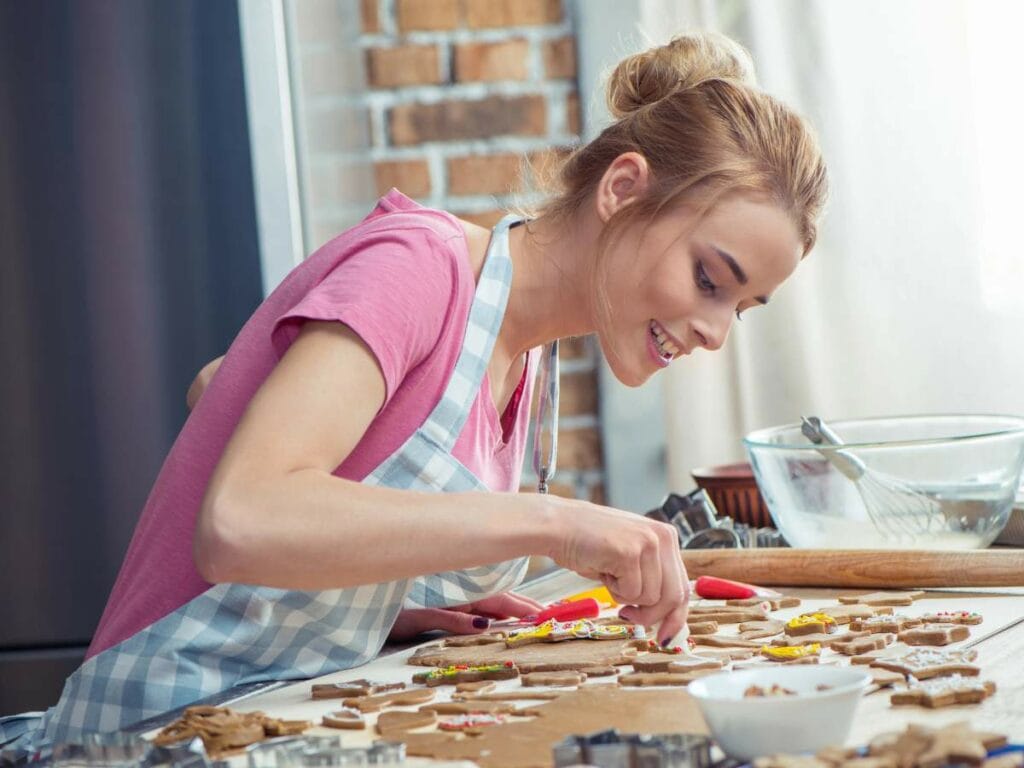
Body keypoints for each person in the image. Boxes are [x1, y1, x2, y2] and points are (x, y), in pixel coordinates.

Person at [0, 31, 827, 750]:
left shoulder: (527, 362)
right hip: (154, 732)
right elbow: (239, 520)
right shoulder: (419, 266)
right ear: (621, 189)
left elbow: (224, 393)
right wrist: (559, 523)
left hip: (284, 721)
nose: (717, 334)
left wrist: (383, 604)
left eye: (743, 310)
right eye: (711, 279)